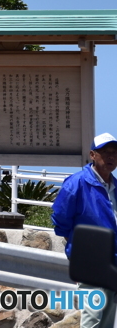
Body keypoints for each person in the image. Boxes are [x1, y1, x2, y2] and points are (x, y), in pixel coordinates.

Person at [52, 133, 117, 328]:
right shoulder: (77, 183)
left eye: (114, 153)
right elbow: (60, 219)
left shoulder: (115, 185)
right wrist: (81, 247)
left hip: (113, 260)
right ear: (92, 155)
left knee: (107, 318)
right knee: (93, 316)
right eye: (105, 152)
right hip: (89, 261)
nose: (111, 157)